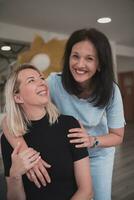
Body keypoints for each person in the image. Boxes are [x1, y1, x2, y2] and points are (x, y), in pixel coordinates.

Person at [2, 28, 125, 200]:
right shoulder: (52, 83)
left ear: (100, 64)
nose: (80, 64)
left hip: (98, 153)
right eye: (75, 56)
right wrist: (27, 154)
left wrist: (92, 140)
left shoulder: (111, 91)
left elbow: (118, 136)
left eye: (89, 59)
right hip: (67, 150)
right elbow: (10, 119)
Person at [1, 64, 92, 200]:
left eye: (41, 78)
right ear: (18, 97)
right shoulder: (9, 138)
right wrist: (15, 175)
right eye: (31, 80)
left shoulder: (70, 125)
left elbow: (86, 191)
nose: (42, 82)